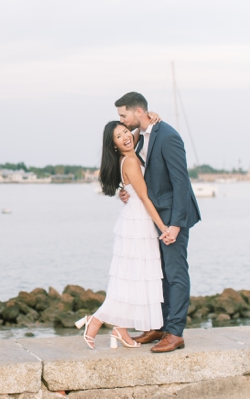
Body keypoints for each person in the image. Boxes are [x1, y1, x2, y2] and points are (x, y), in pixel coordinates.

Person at [113, 92, 200, 353]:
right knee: (157, 272)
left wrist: (175, 224)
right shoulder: (141, 136)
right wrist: (124, 190)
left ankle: (175, 333)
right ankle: (159, 326)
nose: (122, 120)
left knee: (175, 272)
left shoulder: (169, 136)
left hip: (172, 217)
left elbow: (181, 182)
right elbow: (143, 175)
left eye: (123, 115)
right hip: (153, 216)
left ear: (138, 112)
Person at [75, 117, 167, 349]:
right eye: (119, 136)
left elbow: (137, 128)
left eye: (126, 131)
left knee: (131, 278)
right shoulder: (130, 161)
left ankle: (119, 328)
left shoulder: (127, 151)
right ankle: (95, 321)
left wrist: (150, 116)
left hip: (135, 219)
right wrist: (164, 228)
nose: (126, 137)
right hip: (139, 222)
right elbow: (145, 198)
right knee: (132, 277)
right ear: (113, 145)